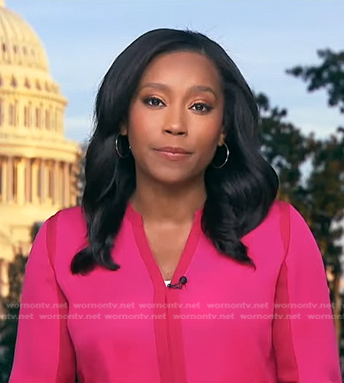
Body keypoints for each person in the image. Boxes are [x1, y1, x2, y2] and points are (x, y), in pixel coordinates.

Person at [9, 28, 341, 383]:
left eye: (199, 106)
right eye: (154, 101)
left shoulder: (280, 233)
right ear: (122, 118)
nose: (176, 125)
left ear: (223, 129)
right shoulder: (63, 242)